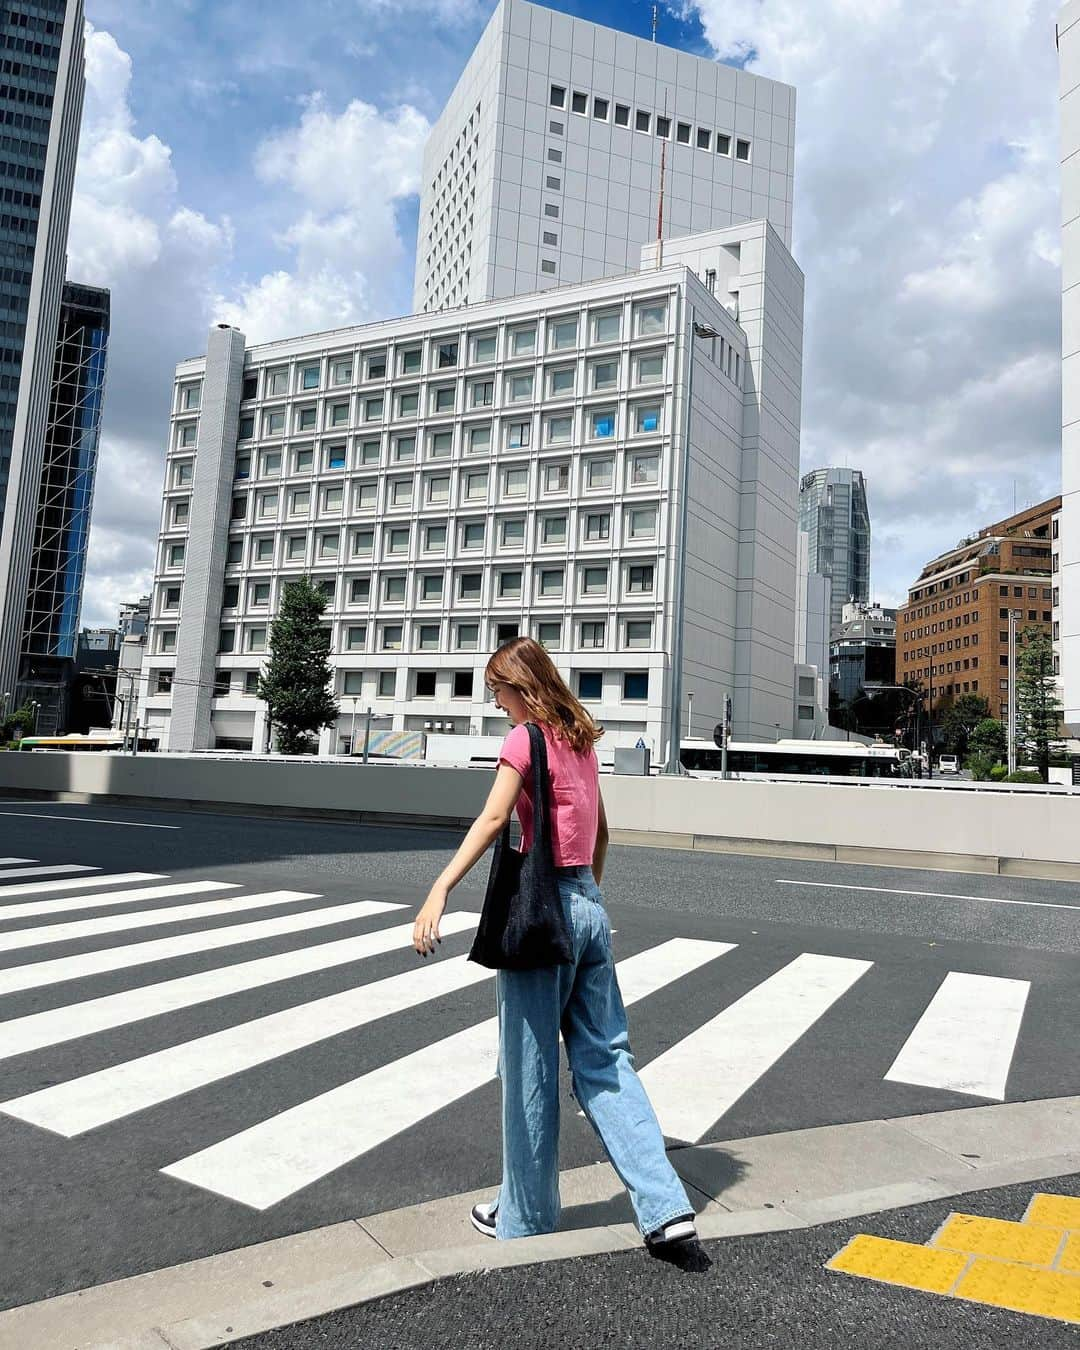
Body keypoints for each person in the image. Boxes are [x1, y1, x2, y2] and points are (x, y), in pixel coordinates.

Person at [413, 637, 697, 1248]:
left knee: (529, 1070)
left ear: (522, 686)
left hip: (544, 918)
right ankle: (665, 1205)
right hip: (588, 908)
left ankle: (527, 1217)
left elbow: (494, 820)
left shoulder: (526, 738)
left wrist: (439, 889)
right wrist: (584, 900)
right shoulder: (583, 741)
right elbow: (602, 836)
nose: (498, 705)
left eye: (499, 691)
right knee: (607, 1059)